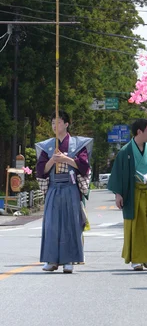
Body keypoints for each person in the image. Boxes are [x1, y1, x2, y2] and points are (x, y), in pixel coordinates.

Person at [35, 110, 93, 274]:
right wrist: (53, 159)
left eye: (58, 122)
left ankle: (69, 260)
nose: (55, 125)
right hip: (54, 187)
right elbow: (41, 171)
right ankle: (51, 259)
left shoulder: (77, 144)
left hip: (70, 187)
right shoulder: (47, 146)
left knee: (70, 224)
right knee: (51, 224)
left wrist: (66, 158)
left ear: (67, 124)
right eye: (53, 123)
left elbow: (84, 166)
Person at [108, 118, 147, 270]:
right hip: (133, 192)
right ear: (139, 131)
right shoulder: (125, 151)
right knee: (135, 226)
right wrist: (118, 194)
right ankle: (136, 258)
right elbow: (117, 174)